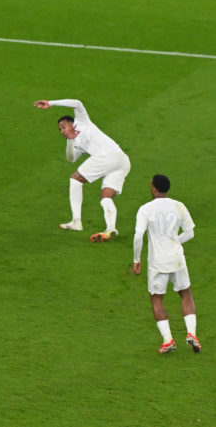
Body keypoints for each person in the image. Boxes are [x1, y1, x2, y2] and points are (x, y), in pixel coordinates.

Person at [34, 99, 131, 242]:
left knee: (75, 179)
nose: (62, 130)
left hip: (109, 156)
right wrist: (70, 140)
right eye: (60, 129)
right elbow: (71, 158)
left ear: (72, 123)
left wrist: (51, 103)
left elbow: (77, 103)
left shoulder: (83, 121)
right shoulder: (76, 142)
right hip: (121, 161)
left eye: (64, 126)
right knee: (106, 196)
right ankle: (111, 228)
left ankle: (76, 221)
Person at [132, 174, 200, 354]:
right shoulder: (179, 206)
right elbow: (190, 233)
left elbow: (138, 236)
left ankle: (168, 339)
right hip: (177, 258)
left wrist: (136, 259)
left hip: (157, 262)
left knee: (157, 298)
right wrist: (175, 241)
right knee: (185, 293)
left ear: (154, 188)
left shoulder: (145, 209)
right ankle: (192, 334)